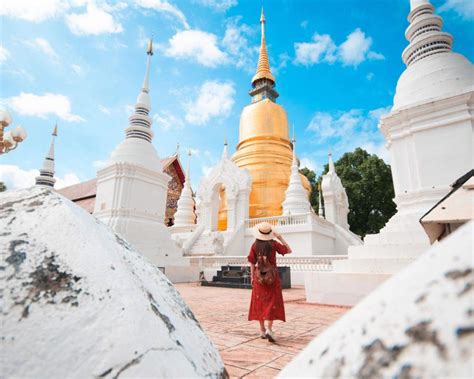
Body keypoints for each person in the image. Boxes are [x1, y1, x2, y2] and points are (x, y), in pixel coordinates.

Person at [247, 221, 292, 343]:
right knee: (272, 303)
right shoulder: (273, 244)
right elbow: (289, 250)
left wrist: (252, 277)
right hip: (272, 278)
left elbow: (251, 261)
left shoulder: (254, 245)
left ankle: (262, 330)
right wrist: (280, 237)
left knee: (259, 303)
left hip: (259, 278)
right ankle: (269, 329)